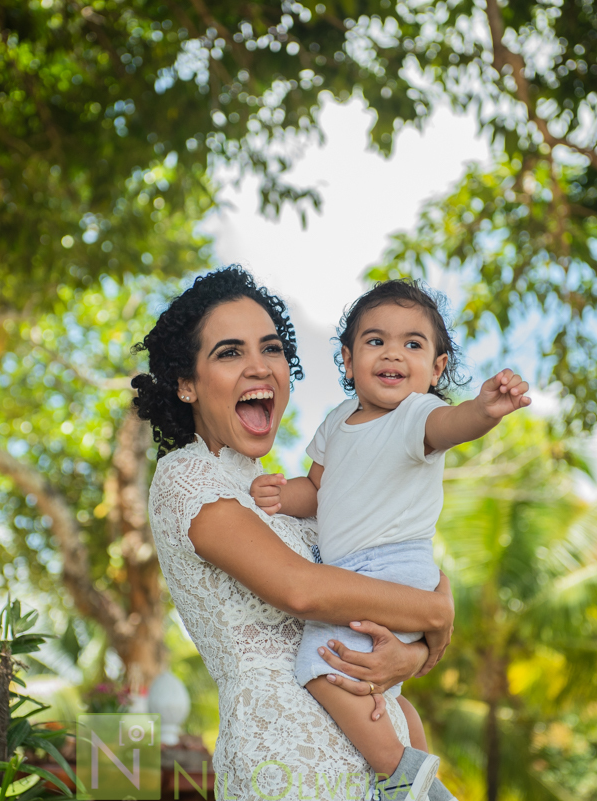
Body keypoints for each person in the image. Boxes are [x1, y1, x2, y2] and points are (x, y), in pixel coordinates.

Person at [132, 267, 459, 801]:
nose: (259, 366)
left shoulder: (287, 493)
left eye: (271, 348)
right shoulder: (187, 477)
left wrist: (416, 655)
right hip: (292, 767)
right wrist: (437, 615)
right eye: (229, 352)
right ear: (186, 384)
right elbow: (303, 591)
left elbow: (389, 571)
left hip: (381, 768)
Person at [248, 280, 531, 798]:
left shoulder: (416, 415)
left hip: (392, 566)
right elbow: (316, 489)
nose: (393, 354)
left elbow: (453, 424)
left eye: (413, 344)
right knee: (385, 690)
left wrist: (485, 411)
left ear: (436, 368)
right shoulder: (336, 422)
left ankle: (400, 777)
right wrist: (276, 495)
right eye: (376, 341)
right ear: (348, 358)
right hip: (356, 572)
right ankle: (424, 772)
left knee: (322, 662)